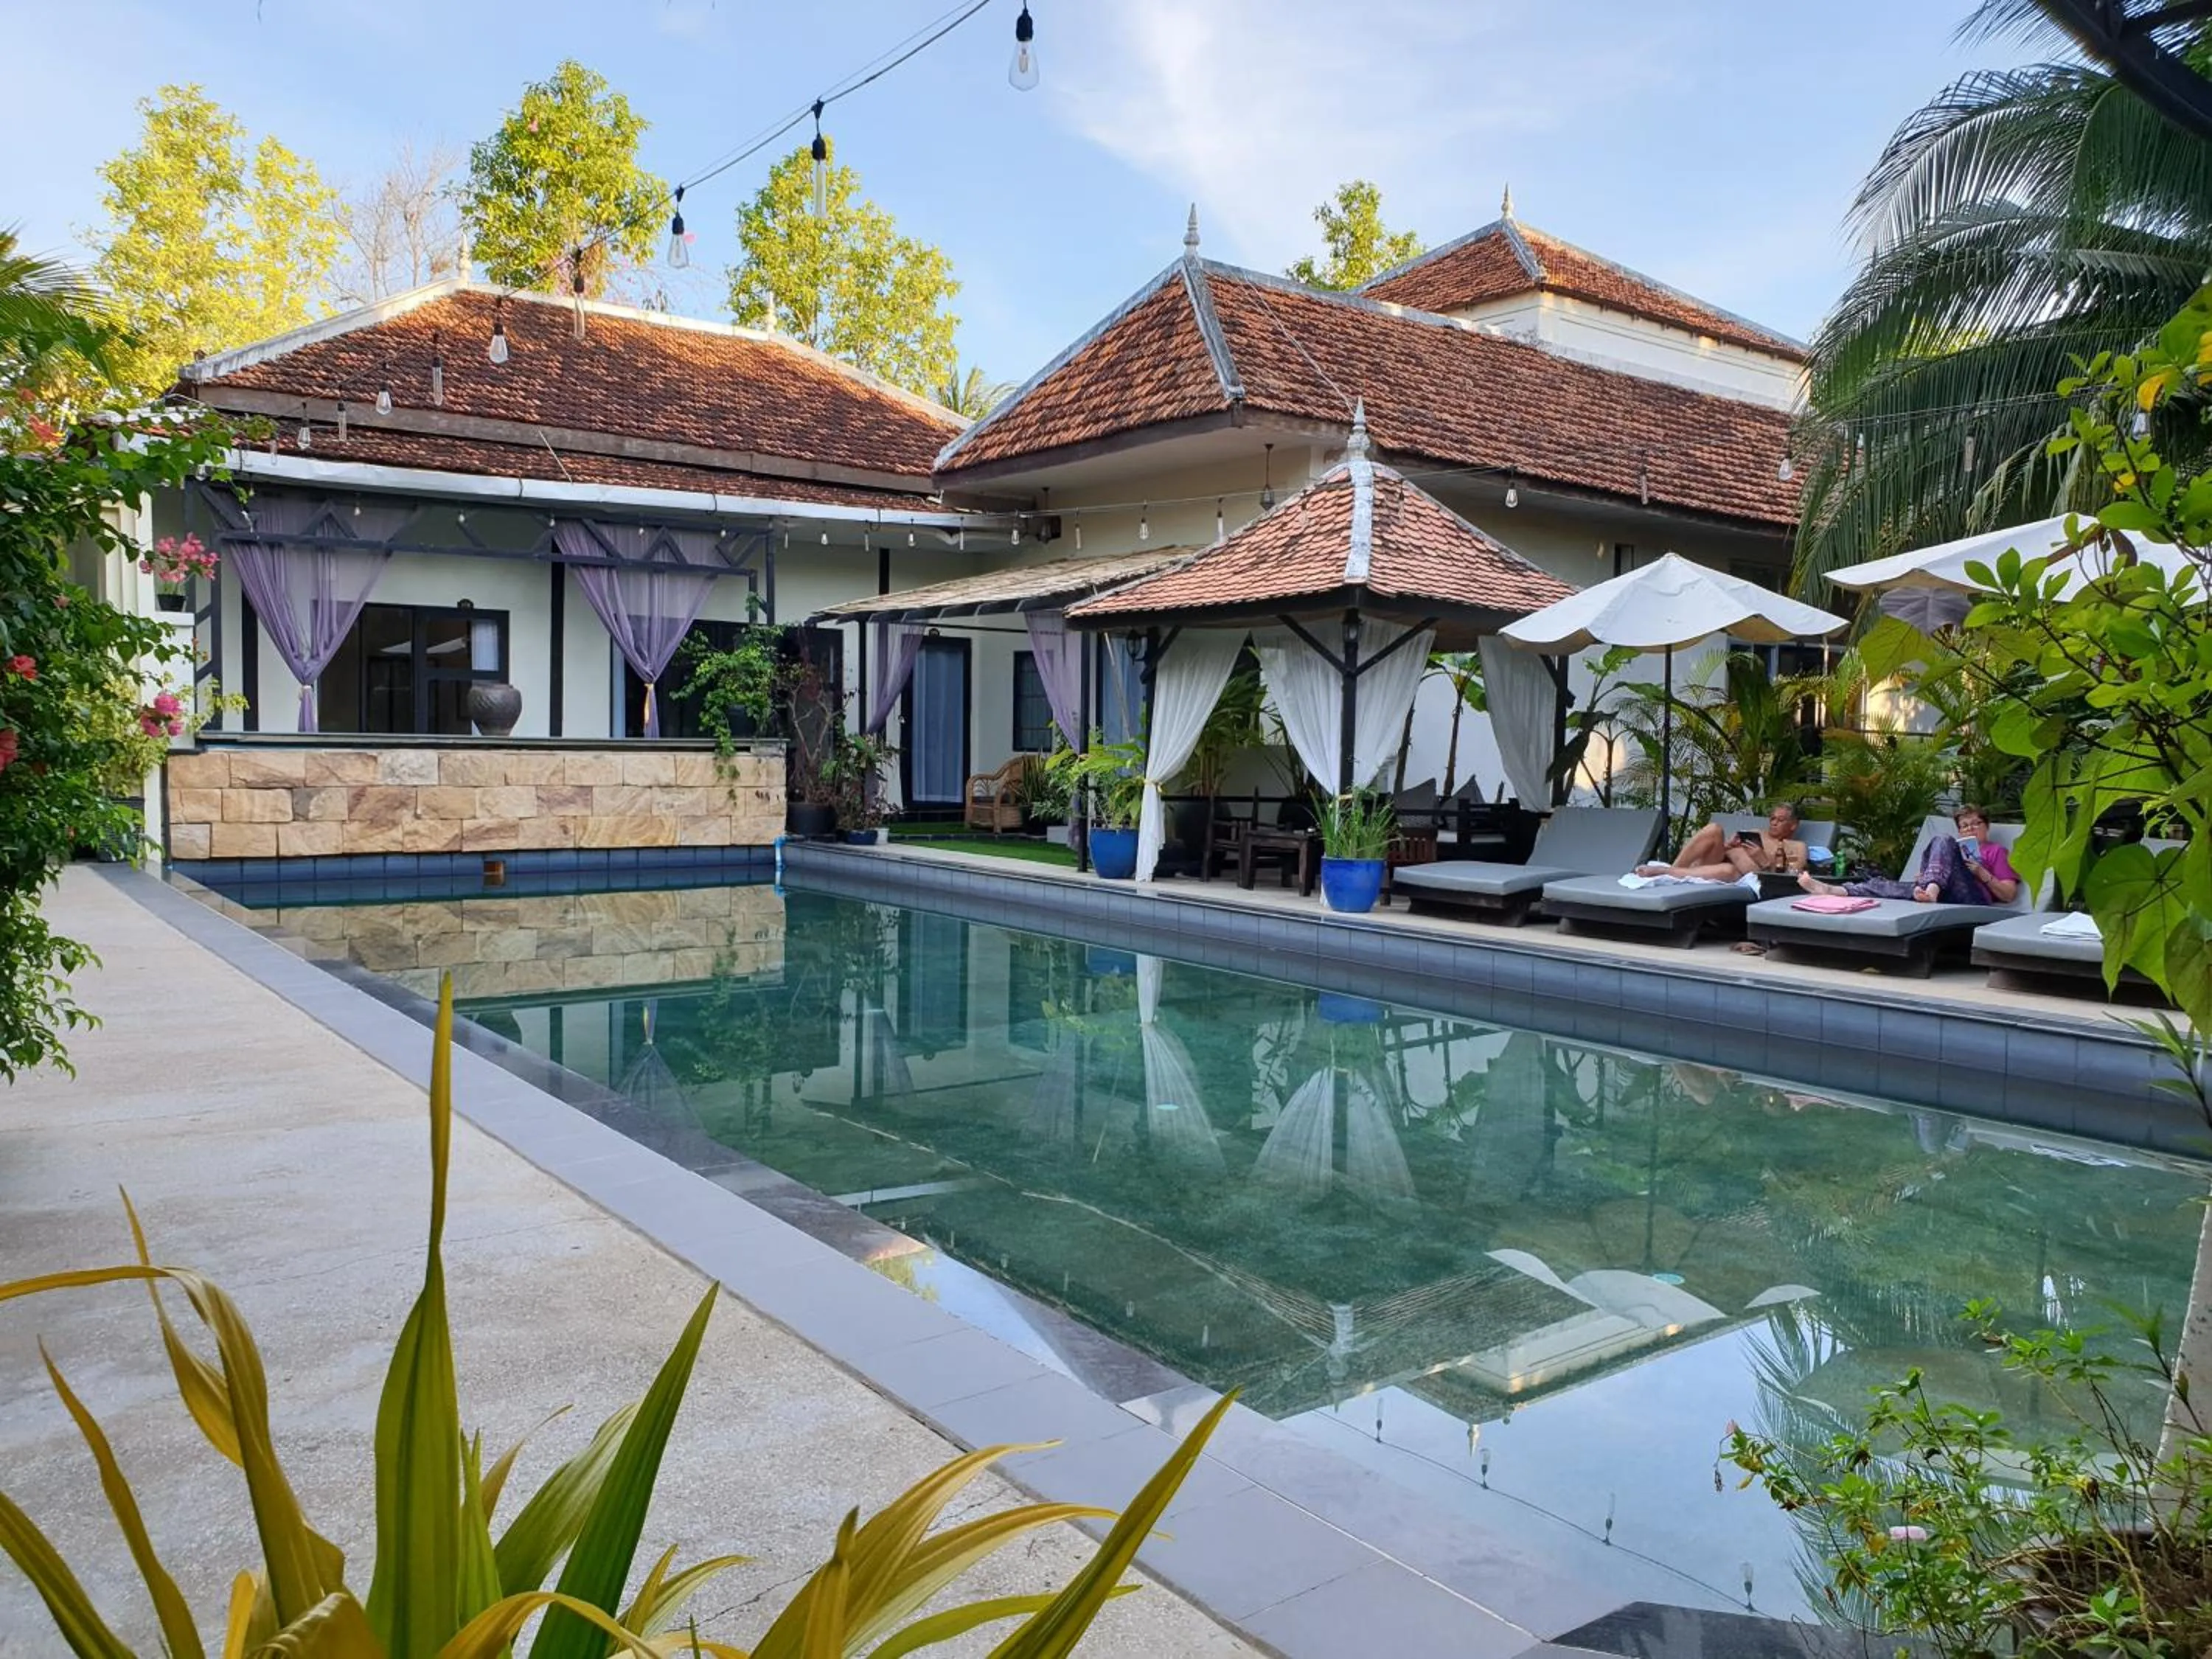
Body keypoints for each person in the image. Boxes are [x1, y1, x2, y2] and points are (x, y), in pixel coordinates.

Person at [1798, 804, 2020, 905]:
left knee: (1942, 839)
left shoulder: (1997, 851)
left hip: (1973, 899)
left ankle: (1930, 889)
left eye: (1976, 824)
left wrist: (1982, 873)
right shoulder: (1954, 848)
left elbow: (2008, 895)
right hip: (1944, 892)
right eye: (1964, 826)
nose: (1970, 829)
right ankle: (1832, 889)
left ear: (1987, 826)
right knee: (1884, 885)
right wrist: (1924, 878)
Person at [1637, 802, 1807, 882]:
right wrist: (1729, 846)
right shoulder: (1755, 834)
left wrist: (1763, 861)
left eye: (1781, 820)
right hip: (1713, 865)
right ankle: (1672, 870)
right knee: (1714, 829)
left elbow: (1791, 879)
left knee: (1729, 870)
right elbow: (1723, 852)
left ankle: (1664, 872)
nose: (1774, 823)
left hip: (1741, 877)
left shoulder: (1797, 848)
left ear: (1793, 825)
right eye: (1772, 818)